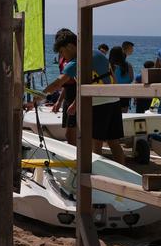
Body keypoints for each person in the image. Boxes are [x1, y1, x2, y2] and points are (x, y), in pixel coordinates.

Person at [40, 30, 125, 163]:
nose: (62, 56)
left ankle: (93, 177)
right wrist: (75, 103)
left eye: (62, 52)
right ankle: (123, 176)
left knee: (95, 144)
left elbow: (58, 82)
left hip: (98, 104)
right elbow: (106, 77)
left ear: (70, 47)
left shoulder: (76, 61)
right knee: (114, 142)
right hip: (114, 100)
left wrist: (40, 95)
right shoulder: (98, 53)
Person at [51, 28, 78, 145]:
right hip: (68, 94)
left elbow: (63, 82)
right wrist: (59, 101)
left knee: (71, 134)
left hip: (76, 94)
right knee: (69, 134)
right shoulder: (62, 58)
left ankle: (77, 160)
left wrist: (75, 103)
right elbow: (64, 83)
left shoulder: (74, 59)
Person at [109, 46, 134, 113]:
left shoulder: (109, 65)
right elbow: (131, 79)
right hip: (125, 92)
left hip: (112, 93)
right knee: (123, 115)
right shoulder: (128, 65)